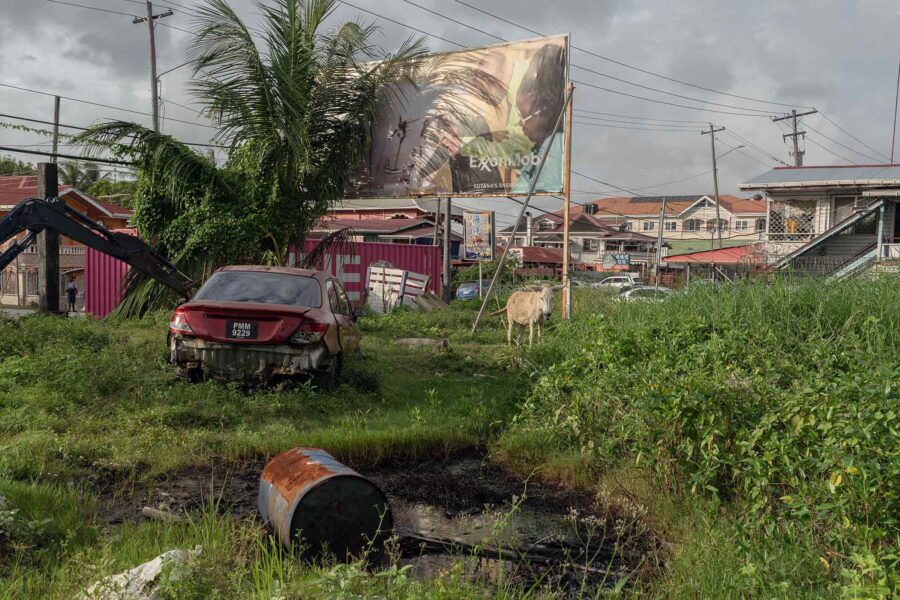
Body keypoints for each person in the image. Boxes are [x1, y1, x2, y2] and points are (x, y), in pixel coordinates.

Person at [510, 43, 567, 194]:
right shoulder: (540, 146)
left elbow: (549, 194)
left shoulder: (554, 146)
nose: (519, 122)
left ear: (546, 109)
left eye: (524, 114)